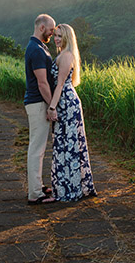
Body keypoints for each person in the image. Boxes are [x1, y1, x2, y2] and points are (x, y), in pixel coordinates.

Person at [47, 23, 97, 201]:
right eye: (55, 36)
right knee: (64, 145)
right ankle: (65, 185)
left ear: (68, 37)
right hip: (65, 101)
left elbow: (60, 84)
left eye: (60, 36)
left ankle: (69, 188)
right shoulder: (62, 54)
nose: (57, 38)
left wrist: (52, 107)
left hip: (67, 102)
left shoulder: (67, 56)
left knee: (68, 146)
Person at [24, 13, 57, 204]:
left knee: (39, 148)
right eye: (51, 30)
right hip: (38, 103)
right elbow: (42, 83)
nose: (52, 33)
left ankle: (38, 185)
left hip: (38, 102)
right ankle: (35, 194)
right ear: (41, 27)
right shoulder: (36, 50)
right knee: (36, 149)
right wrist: (52, 106)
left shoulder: (39, 47)